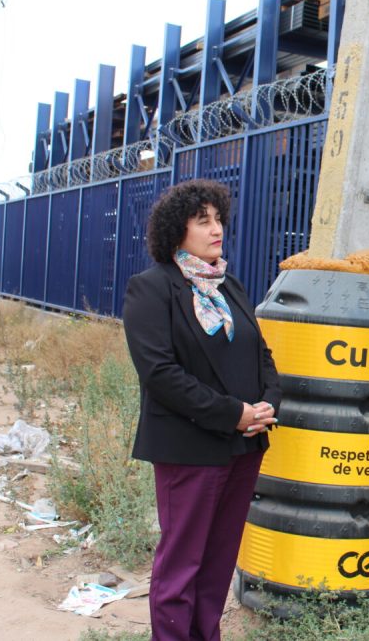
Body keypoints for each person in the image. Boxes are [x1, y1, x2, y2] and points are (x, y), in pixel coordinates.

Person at [122, 179, 281, 641]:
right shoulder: (151, 289)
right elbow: (161, 374)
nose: (216, 229)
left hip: (244, 445)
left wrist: (270, 402)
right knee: (181, 564)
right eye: (203, 220)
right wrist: (233, 412)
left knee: (216, 562)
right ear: (178, 231)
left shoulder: (229, 285)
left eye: (219, 219)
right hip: (190, 446)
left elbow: (261, 354)